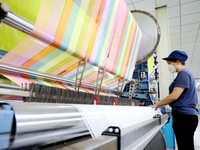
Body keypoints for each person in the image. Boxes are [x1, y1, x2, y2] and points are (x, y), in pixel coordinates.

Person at [151, 50, 199, 150]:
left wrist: (156, 105)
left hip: (184, 117)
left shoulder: (184, 74)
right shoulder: (183, 74)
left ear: (177, 62)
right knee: (185, 146)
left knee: (185, 146)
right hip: (186, 116)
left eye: (169, 63)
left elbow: (174, 96)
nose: (169, 66)